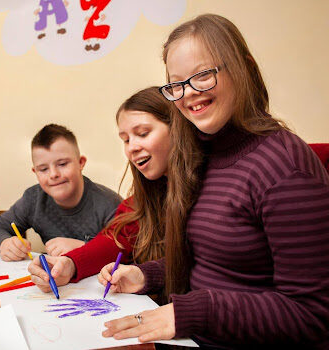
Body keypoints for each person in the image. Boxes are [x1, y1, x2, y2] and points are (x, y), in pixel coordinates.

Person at [100, 14, 329, 348]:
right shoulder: (201, 155)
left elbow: (313, 314)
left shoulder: (285, 165)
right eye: (177, 84)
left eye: (204, 75)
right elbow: (213, 262)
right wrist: (146, 274)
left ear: (245, 68)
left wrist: (197, 311)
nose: (190, 94)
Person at [28, 87, 172, 289]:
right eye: (126, 139)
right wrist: (70, 264)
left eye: (142, 133)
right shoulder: (142, 200)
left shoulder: (210, 190)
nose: (132, 147)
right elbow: (116, 239)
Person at [0, 124, 121, 261]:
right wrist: (4, 243)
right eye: (43, 169)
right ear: (35, 172)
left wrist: (84, 248)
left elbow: (130, 250)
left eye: (62, 164)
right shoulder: (33, 199)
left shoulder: (110, 204)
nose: (53, 174)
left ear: (80, 163)